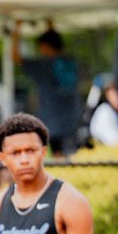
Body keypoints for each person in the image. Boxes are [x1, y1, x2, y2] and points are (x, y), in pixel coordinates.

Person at [11, 23, 81, 156]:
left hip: (53, 123)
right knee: (74, 157)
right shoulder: (71, 62)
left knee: (59, 159)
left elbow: (15, 57)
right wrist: (50, 26)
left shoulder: (43, 66)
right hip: (74, 120)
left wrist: (17, 29)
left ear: (45, 46)